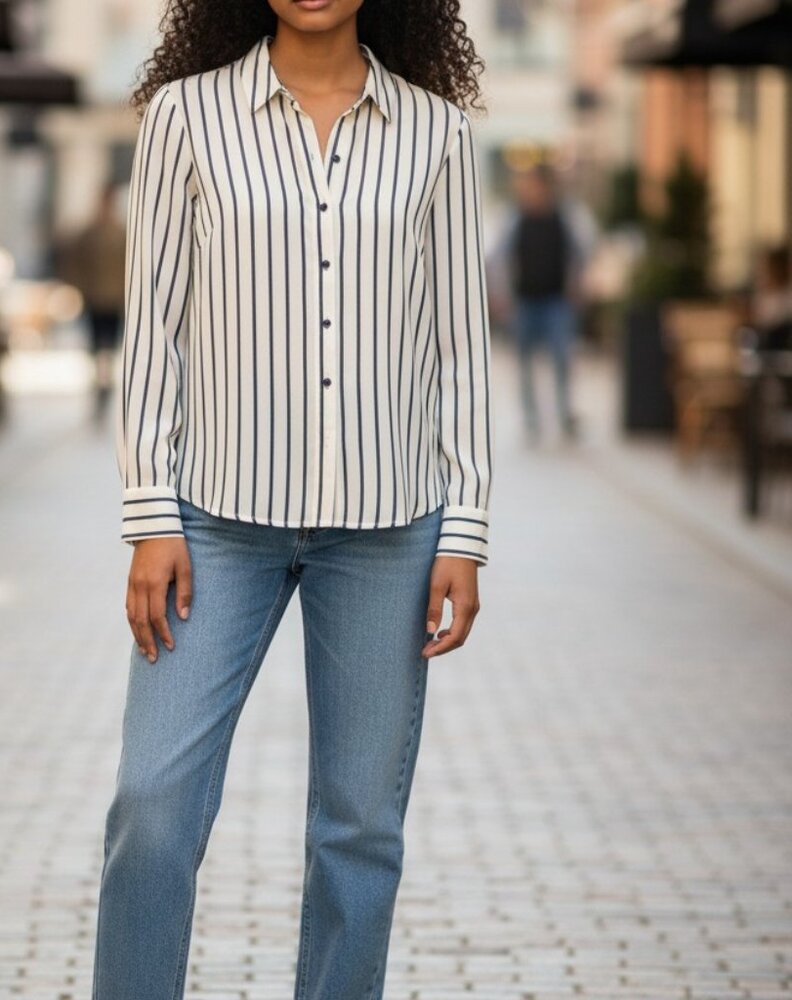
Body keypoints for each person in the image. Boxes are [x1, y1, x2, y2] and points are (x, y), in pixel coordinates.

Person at [93, 3, 493, 998]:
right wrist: (150, 512)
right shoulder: (184, 118)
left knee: (359, 827)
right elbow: (154, 335)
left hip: (389, 529)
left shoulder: (436, 134)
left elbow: (463, 352)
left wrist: (467, 526)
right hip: (214, 524)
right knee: (152, 802)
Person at [493, 162, 591, 443]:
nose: (530, 191)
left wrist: (577, 285)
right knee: (524, 364)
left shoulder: (565, 217)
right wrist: (501, 295)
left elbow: (582, 251)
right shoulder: (515, 219)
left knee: (562, 359)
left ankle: (564, 415)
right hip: (524, 301)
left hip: (556, 301)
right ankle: (532, 420)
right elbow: (499, 259)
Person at [63, 182, 128, 421]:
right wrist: (80, 289)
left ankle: (106, 386)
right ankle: (99, 387)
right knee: (95, 348)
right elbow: (76, 264)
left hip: (115, 301)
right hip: (94, 300)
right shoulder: (89, 233)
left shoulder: (122, 232)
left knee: (109, 348)